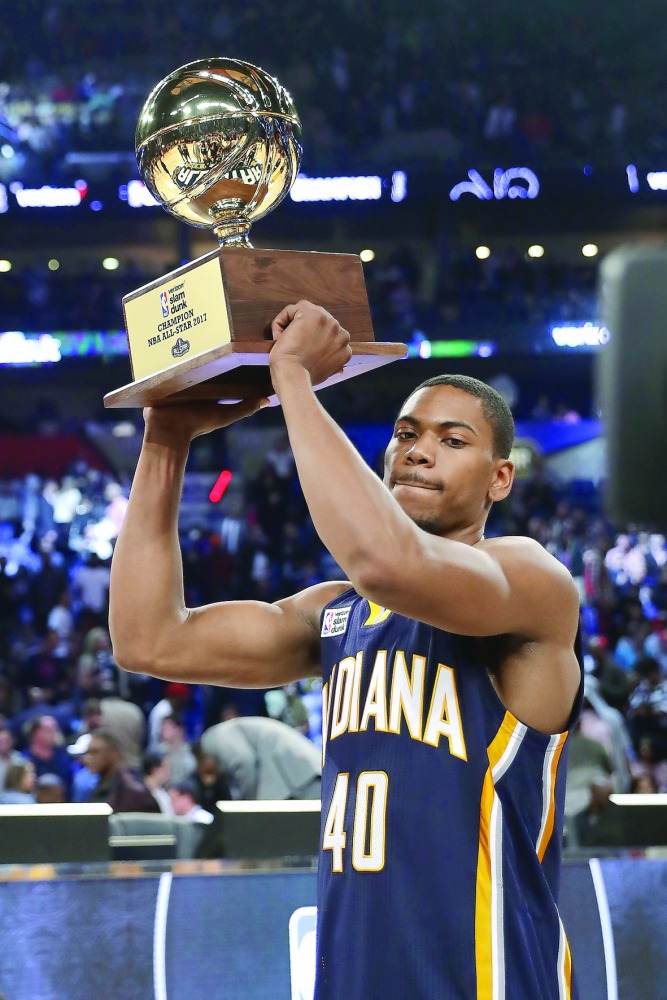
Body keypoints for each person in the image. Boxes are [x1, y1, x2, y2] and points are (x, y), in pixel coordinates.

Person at [109, 302, 582, 1000]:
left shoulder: (529, 579)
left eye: (452, 440)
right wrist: (166, 444)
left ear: (499, 479)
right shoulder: (338, 612)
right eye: (404, 433)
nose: (417, 449)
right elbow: (148, 639)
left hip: (486, 979)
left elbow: (390, 563)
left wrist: (293, 378)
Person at [84, 728, 160, 814]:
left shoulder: (134, 795)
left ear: (114, 753)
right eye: (88, 753)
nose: (87, 759)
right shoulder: (99, 788)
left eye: (95, 752)